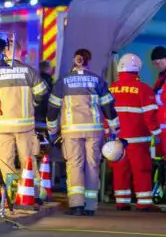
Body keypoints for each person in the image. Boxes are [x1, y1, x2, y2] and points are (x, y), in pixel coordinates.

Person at [47, 48, 119, 216]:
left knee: (74, 166)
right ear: (88, 61)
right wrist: (115, 129)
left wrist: (52, 131)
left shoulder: (63, 82)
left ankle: (77, 205)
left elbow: (52, 108)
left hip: (71, 131)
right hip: (94, 131)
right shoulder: (97, 81)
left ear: (74, 60)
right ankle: (90, 206)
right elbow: (108, 107)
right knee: (92, 166)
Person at [0, 39, 48, 189]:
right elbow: (42, 92)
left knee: (4, 161)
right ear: (20, 52)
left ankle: (10, 193)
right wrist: (32, 105)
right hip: (25, 126)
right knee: (28, 160)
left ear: (4, 53)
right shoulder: (29, 71)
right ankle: (31, 193)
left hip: (2, 126)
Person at [108, 53, 162, 211]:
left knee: (120, 170)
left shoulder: (111, 88)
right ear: (137, 69)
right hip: (138, 140)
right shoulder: (144, 89)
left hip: (117, 139)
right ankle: (144, 203)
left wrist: (108, 134)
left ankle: (121, 202)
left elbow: (105, 114)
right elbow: (150, 116)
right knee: (142, 170)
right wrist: (157, 134)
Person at [35, 60, 55, 136]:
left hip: (37, 115)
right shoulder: (47, 81)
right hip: (43, 116)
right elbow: (48, 100)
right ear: (48, 69)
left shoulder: (37, 80)